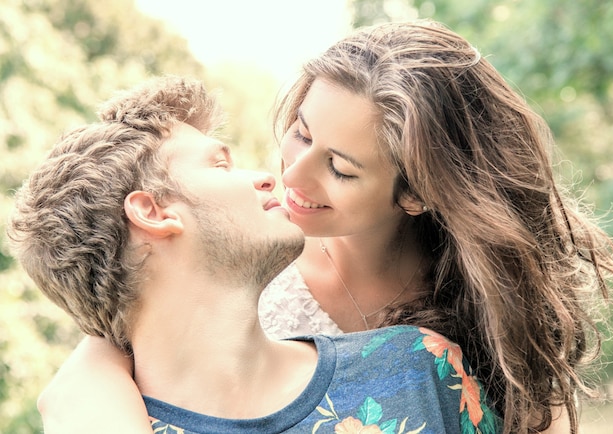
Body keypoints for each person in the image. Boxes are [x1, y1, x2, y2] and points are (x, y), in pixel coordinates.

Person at [35, 20, 613, 434]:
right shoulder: (240, 275)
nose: (290, 172)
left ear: (417, 193)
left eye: (339, 168)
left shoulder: (452, 334)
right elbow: (115, 318)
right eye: (301, 130)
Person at [7, 75, 498, 434]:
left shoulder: (418, 366)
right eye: (220, 165)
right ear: (152, 212)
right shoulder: (96, 417)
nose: (269, 177)